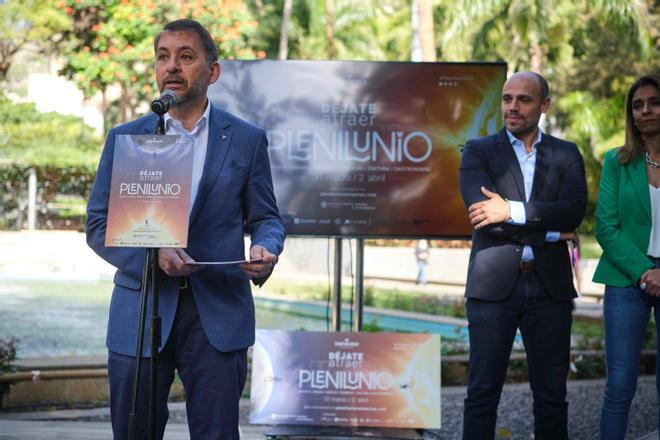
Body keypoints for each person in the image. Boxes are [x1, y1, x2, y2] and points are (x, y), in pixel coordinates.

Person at [85, 19, 286, 440]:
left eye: (186, 56)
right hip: (140, 313)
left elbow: (266, 218)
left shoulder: (246, 140)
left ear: (212, 72)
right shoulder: (128, 137)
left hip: (217, 312)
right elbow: (99, 224)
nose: (172, 66)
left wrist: (267, 250)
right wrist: (151, 254)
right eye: (163, 57)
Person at [458, 71, 587, 439]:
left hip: (550, 290)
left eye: (524, 99)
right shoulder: (478, 150)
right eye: (507, 98)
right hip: (492, 290)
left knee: (552, 396)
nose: (512, 106)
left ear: (544, 105)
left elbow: (574, 211)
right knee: (482, 394)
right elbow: (484, 216)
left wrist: (512, 211)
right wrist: (551, 231)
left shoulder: (566, 154)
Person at [593, 75, 660, 439]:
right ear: (631, 115)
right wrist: (645, 272)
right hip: (626, 278)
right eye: (638, 104)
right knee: (619, 384)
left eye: (654, 101)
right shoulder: (616, 162)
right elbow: (606, 227)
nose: (646, 110)